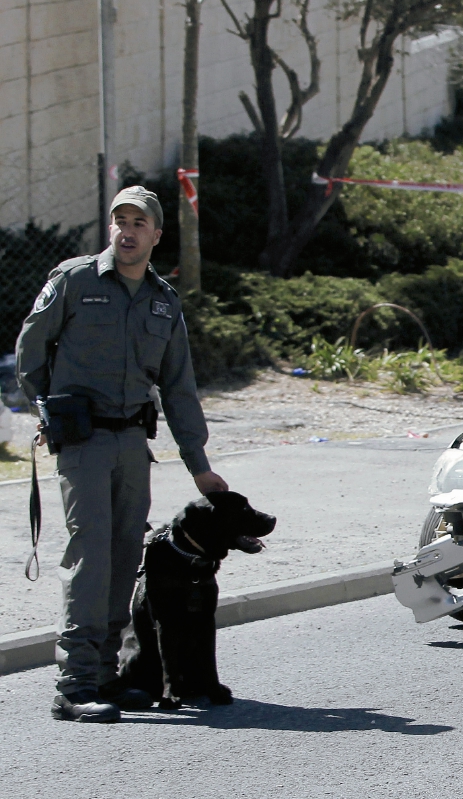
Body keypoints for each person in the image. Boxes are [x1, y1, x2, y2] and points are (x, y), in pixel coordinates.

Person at [16, 186, 228, 723]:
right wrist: (49, 412)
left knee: (124, 558)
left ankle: (107, 675)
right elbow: (30, 351)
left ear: (157, 235)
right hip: (83, 442)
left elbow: (179, 387)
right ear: (111, 227)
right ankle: (76, 683)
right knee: (91, 557)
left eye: (140, 223)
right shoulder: (75, 280)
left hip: (134, 443)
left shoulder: (163, 300)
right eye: (120, 221)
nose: (128, 231)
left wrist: (198, 465)